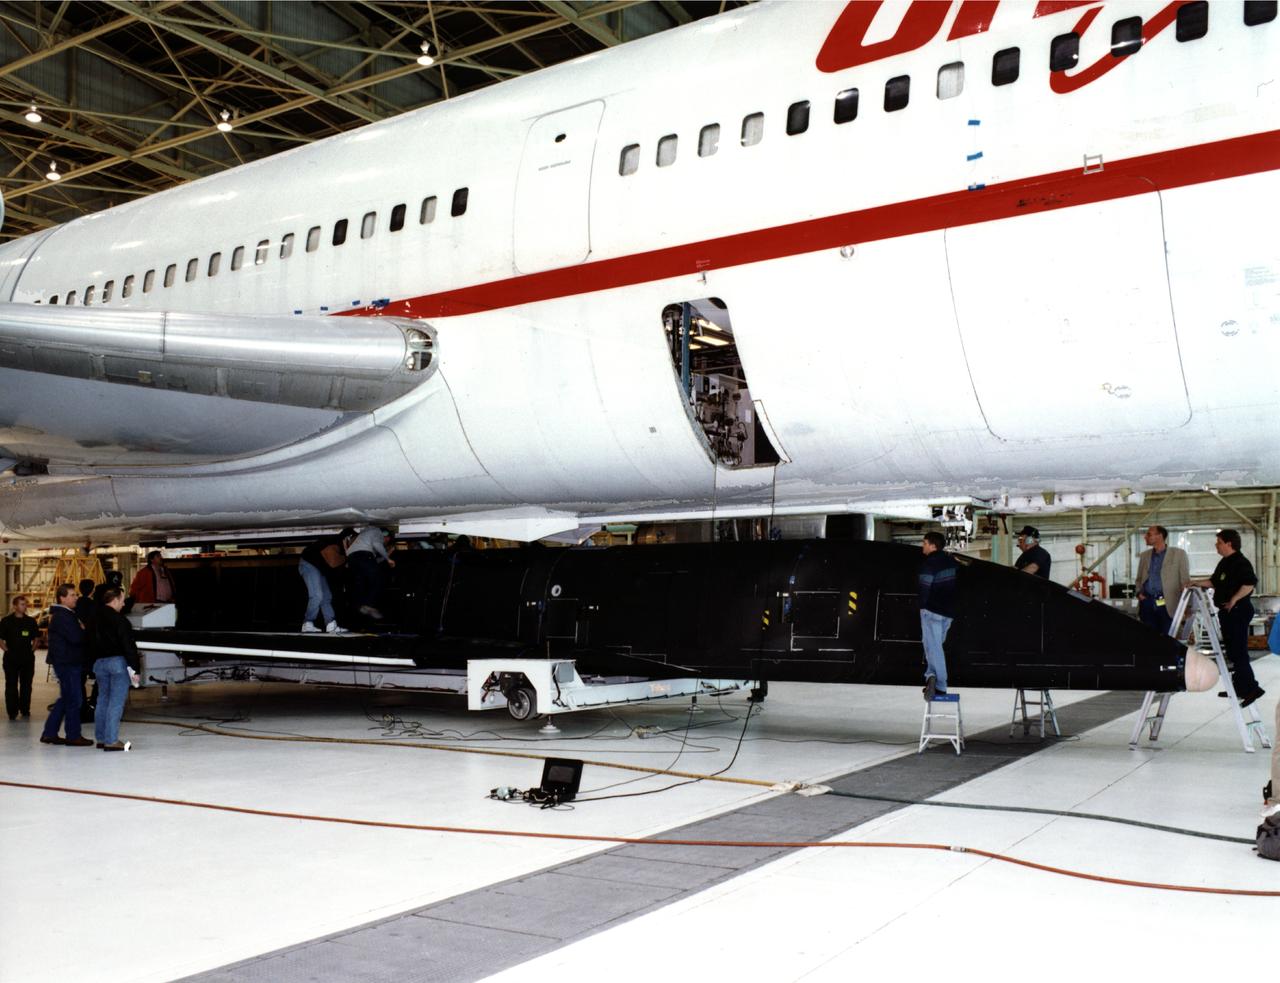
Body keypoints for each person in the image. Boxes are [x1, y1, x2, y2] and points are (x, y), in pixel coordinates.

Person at [1190, 528, 1264, 708]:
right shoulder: (1225, 562)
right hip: (1228, 612)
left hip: (1238, 610)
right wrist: (1196, 582)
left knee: (1238, 653)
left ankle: (1251, 689)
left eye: (1219, 542)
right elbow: (1215, 581)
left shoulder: (1240, 562)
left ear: (1229, 543)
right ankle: (1239, 687)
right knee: (1232, 652)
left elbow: (1249, 583)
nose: (1216, 546)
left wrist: (1234, 599)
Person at [39, 584, 93, 747]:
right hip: (68, 662)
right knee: (74, 700)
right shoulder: (64, 616)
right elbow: (76, 638)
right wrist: (83, 630)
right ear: (62, 598)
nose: (76, 597)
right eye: (72, 595)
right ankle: (73, 735)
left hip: (65, 662)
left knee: (66, 698)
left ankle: (49, 733)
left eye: (75, 595)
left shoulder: (64, 614)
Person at [94, 587, 140, 751]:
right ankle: (111, 740)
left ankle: (100, 738)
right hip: (117, 663)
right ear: (114, 600)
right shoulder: (120, 620)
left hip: (99, 663)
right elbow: (129, 646)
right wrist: (135, 669)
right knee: (116, 702)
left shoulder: (94, 619)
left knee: (102, 700)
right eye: (122, 599)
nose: (124, 602)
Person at [918, 531, 958, 701]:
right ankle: (931, 676)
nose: (923, 546)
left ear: (933, 545)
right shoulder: (951, 562)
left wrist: (922, 606)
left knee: (932, 647)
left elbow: (925, 586)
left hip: (932, 611)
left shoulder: (929, 564)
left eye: (925, 543)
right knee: (935, 647)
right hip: (948, 612)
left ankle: (939, 684)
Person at [1134, 525, 1190, 635]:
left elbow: (1185, 581)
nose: (1145, 537)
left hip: (1168, 604)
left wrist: (1187, 607)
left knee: (1167, 638)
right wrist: (1139, 593)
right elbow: (1139, 579)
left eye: (1149, 534)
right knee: (1148, 637)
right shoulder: (1145, 556)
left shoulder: (1178, 554)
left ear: (1159, 536)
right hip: (1147, 602)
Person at [299, 530, 353, 633]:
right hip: (308, 564)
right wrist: (346, 558)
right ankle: (307, 623)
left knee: (326, 597)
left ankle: (331, 625)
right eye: (354, 541)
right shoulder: (335, 541)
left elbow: (335, 567)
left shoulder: (340, 548)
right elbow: (333, 562)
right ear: (347, 538)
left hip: (320, 569)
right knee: (317, 595)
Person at [1, 596, 38, 721]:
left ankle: (25, 709)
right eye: (22, 604)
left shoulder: (31, 622)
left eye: (25, 604)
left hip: (27, 658)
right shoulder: (6, 621)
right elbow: (0, 639)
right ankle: (12, 711)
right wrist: (6, 650)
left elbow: (36, 638)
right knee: (11, 685)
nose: (25, 606)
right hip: (11, 658)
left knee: (26, 685)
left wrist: (32, 650)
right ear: (15, 606)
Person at [347, 526, 396, 620]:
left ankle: (359, 606)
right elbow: (378, 544)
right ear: (386, 536)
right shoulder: (377, 531)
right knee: (379, 579)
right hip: (363, 556)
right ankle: (368, 605)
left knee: (360, 584)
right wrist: (388, 558)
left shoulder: (365, 539)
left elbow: (374, 561)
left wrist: (387, 554)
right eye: (386, 541)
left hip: (352, 559)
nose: (385, 542)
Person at [75, 578, 99, 722]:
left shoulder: (75, 605)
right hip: (91, 648)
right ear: (92, 590)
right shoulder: (94, 606)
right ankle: (94, 704)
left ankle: (82, 707)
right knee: (99, 678)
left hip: (78, 648)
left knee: (79, 681)